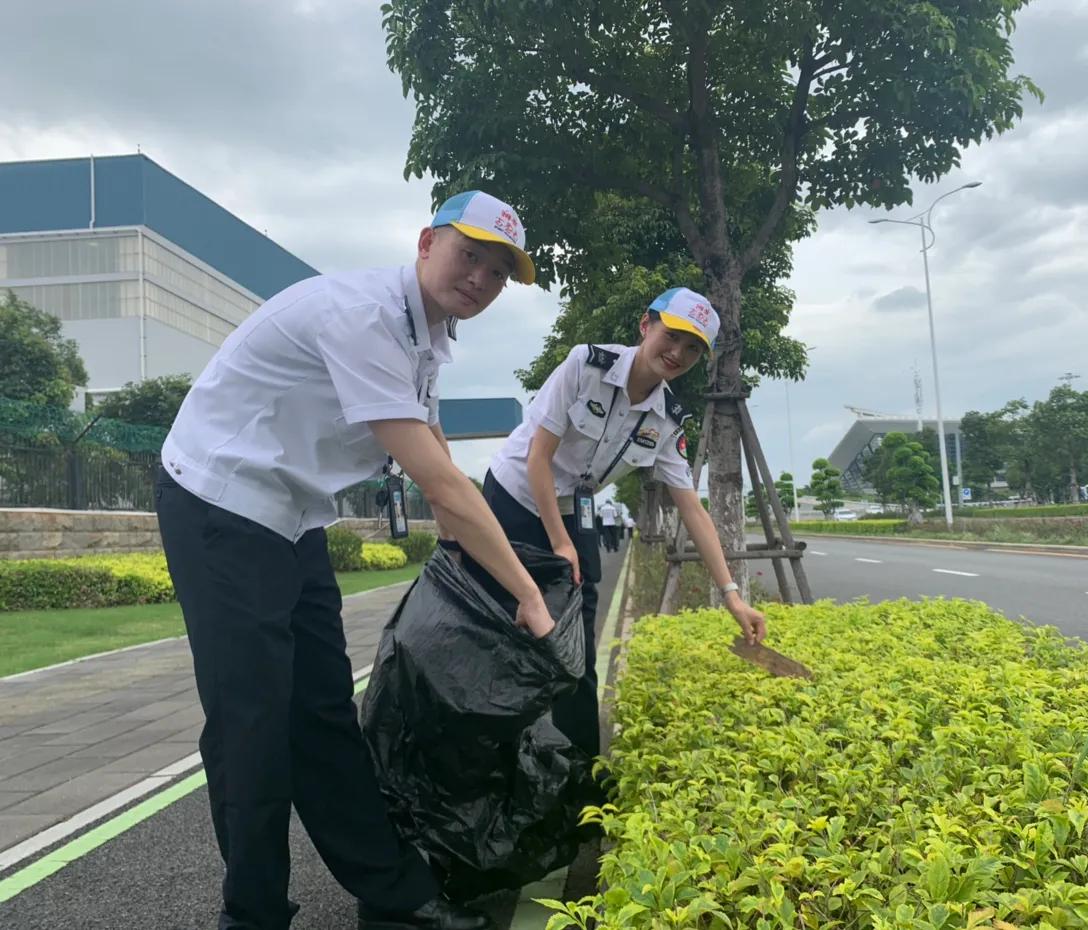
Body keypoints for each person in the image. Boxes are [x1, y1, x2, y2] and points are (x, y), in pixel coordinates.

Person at [156, 191, 550, 930]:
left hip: (291, 514)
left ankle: (393, 893)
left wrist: (484, 572)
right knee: (255, 720)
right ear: (427, 243)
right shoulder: (365, 315)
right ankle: (254, 914)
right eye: (470, 256)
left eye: (498, 273)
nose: (480, 280)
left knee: (325, 710)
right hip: (219, 499)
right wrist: (525, 593)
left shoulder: (429, 338)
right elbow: (441, 481)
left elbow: (435, 465)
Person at [483, 287, 768, 759]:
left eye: (694, 348)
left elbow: (692, 508)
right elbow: (539, 457)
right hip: (512, 496)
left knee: (576, 644)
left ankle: (580, 777)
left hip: (572, 505)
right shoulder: (584, 364)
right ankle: (489, 756)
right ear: (646, 325)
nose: (678, 353)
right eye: (672, 336)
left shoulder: (668, 418)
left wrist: (732, 595)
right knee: (497, 625)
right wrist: (560, 542)